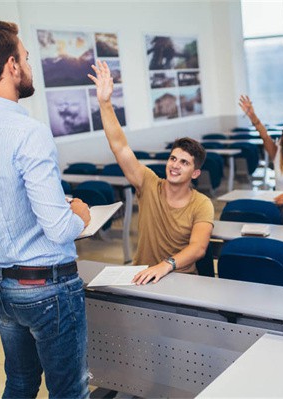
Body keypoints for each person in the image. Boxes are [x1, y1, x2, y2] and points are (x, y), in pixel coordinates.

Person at [0, 20, 91, 397]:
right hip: (46, 287)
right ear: (11, 66)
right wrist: (79, 217)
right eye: (26, 56)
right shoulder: (29, 132)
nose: (29, 64)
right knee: (69, 390)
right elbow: (57, 228)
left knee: (19, 382)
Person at [89, 61, 214, 284]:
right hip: (142, 276)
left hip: (181, 279)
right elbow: (120, 146)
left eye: (184, 163)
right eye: (173, 158)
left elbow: (198, 247)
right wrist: (105, 103)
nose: (175, 165)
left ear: (195, 174)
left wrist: (166, 265)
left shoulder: (202, 204)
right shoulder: (148, 183)